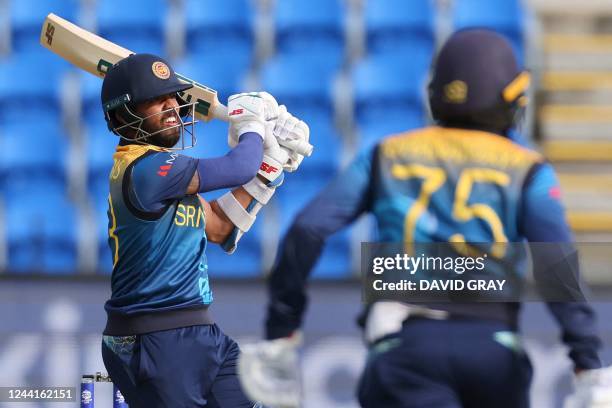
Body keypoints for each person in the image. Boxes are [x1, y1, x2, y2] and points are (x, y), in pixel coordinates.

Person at [244, 29, 604, 407]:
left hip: (404, 349)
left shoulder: (387, 154)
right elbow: (558, 269)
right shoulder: (529, 168)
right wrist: (588, 363)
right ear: (508, 98)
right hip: (495, 350)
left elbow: (307, 229)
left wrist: (280, 333)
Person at [97, 53, 309, 407]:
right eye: (155, 100)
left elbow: (220, 227)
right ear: (123, 115)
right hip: (151, 338)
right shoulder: (147, 170)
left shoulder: (169, 178)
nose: (170, 107)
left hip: (199, 330)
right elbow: (238, 166)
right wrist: (253, 125)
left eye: (172, 98)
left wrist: (269, 169)